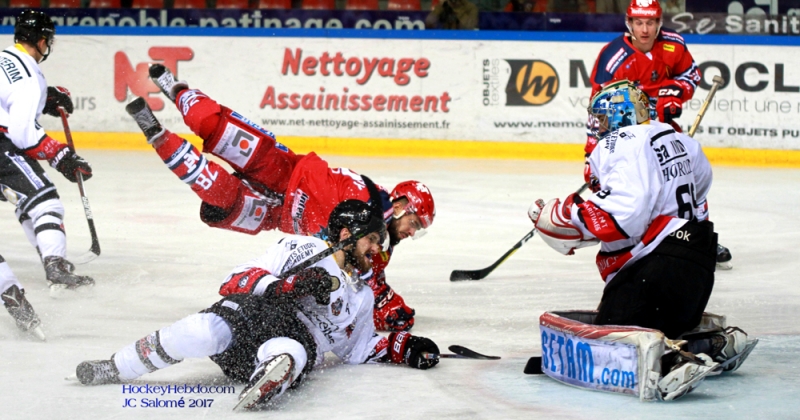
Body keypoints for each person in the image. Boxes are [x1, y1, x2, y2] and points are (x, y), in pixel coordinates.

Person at [125, 64, 435, 333]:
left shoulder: (378, 245)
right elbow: (362, 268)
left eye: (418, 229)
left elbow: (361, 285)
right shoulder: (368, 198)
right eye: (414, 222)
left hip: (278, 215)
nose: (412, 231)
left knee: (219, 195)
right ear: (401, 206)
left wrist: (388, 306)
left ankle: (156, 135)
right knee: (213, 126)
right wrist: (381, 293)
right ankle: (177, 89)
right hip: (282, 169)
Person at [76, 200, 440, 410]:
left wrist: (405, 347)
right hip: (253, 315)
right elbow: (234, 280)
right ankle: (117, 367)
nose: (377, 249)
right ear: (346, 235)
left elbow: (357, 347)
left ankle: (271, 375)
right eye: (372, 240)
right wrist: (285, 286)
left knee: (291, 351)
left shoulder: (361, 295)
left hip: (296, 338)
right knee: (200, 332)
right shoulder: (304, 249)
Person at [528, 81, 756, 400]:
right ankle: (711, 344)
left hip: (657, 272)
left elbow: (625, 214)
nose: (602, 127)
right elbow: (701, 187)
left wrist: (564, 215)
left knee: (608, 341)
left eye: (605, 118)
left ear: (622, 115)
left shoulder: (619, 142)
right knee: (658, 325)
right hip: (699, 266)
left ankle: (670, 361)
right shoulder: (680, 140)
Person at [586, 0, 733, 269]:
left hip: (663, 128)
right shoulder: (612, 57)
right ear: (629, 23)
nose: (645, 29)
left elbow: (691, 75)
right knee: (637, 186)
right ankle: (643, 238)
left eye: (651, 22)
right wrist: (591, 152)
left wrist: (675, 91)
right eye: (639, 23)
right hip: (628, 135)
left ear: (659, 23)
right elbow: (599, 108)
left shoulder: (673, 44)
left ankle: (699, 236)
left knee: (683, 173)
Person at [0, 9, 94, 307]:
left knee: (28, 203)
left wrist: (45, 97)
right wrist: (62, 157)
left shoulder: (3, 56)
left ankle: (20, 280)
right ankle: (56, 266)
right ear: (41, 41)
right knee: (45, 202)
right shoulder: (30, 77)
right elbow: (24, 133)